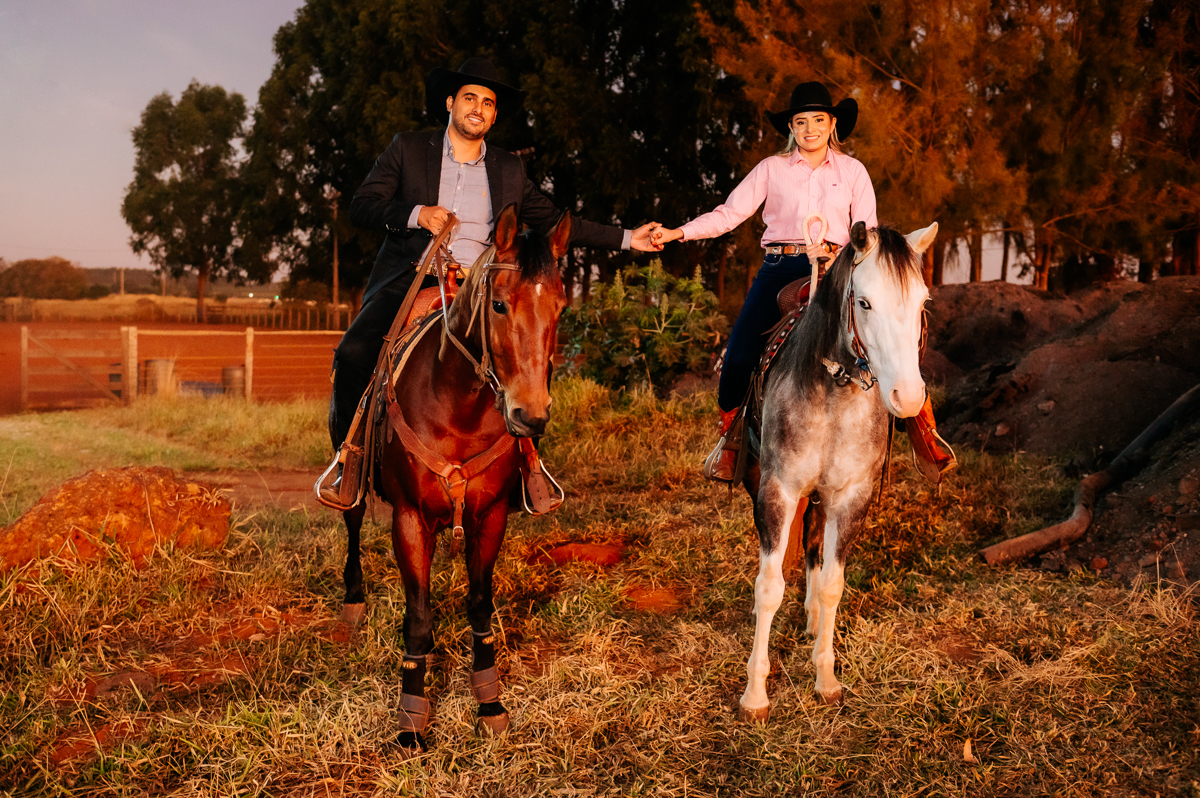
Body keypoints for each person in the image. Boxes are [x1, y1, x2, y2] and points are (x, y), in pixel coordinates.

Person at [322, 57, 660, 503]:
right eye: (469, 98)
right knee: (353, 353)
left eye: (488, 102)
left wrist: (627, 239)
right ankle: (352, 462)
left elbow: (556, 220)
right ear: (450, 103)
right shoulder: (407, 148)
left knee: (533, 361)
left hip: (485, 291)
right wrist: (416, 213)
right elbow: (362, 205)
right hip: (413, 279)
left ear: (494, 115)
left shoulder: (507, 170)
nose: (478, 108)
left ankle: (529, 468)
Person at [651, 81, 956, 484]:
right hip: (780, 266)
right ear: (790, 128)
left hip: (840, 269)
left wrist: (835, 255)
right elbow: (728, 214)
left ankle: (923, 432)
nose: (809, 128)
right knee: (740, 352)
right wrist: (678, 233)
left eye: (817, 120)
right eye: (800, 121)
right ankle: (731, 441)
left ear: (832, 124)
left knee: (889, 333)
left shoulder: (853, 171)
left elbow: (868, 232)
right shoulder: (770, 170)